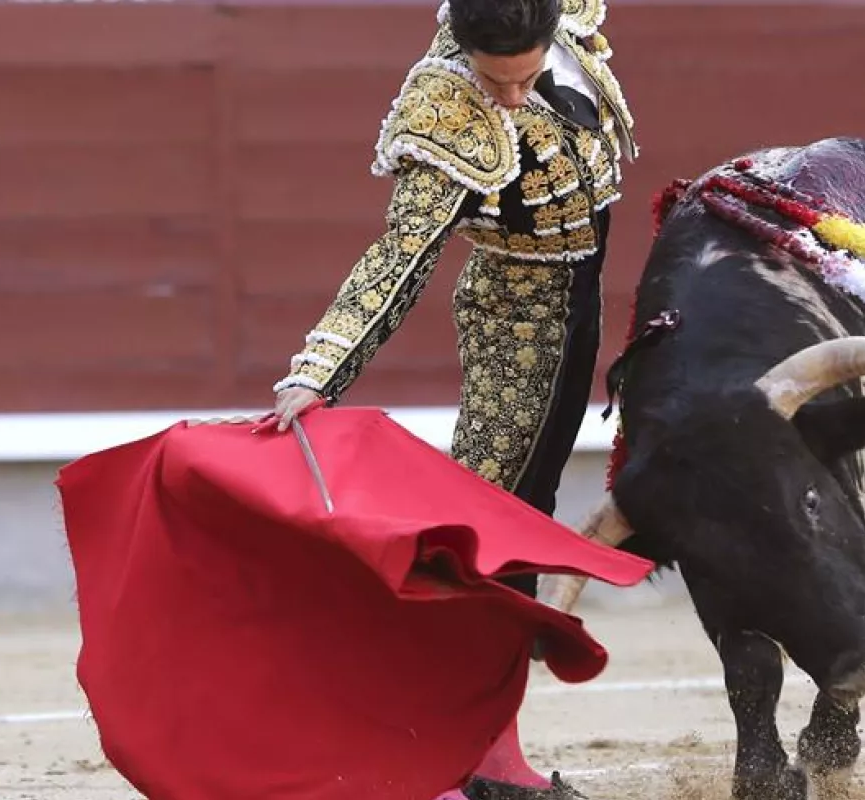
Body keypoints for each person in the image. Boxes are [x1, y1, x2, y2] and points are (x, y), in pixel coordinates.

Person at [266, 0, 637, 797]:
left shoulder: (560, 16)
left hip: (578, 304)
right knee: (490, 534)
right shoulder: (443, 111)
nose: (508, 99)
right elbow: (400, 255)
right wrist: (319, 370)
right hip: (520, 318)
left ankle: (475, 749)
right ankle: (472, 757)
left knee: (515, 522)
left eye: (527, 79)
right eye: (492, 80)